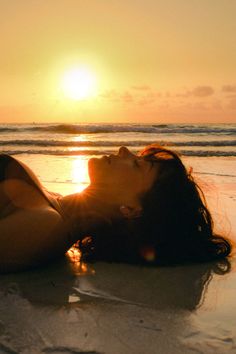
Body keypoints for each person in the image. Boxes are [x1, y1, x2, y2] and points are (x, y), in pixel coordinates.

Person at [0, 145, 232, 272]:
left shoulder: (46, 226)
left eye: (136, 164)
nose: (123, 149)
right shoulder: (54, 205)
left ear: (131, 209)